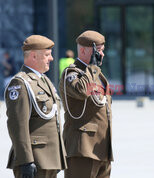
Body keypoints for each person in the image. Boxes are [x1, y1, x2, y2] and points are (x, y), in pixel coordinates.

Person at [5, 35, 67, 178]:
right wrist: (26, 160)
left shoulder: (45, 80)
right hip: (35, 160)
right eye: (47, 55)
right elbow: (17, 125)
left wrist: (58, 156)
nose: (51, 58)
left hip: (50, 159)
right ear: (33, 56)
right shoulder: (20, 83)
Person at [59, 30, 113, 178]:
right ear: (83, 50)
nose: (101, 55)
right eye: (98, 51)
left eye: (102, 51)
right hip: (82, 149)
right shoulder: (71, 73)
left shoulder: (96, 74)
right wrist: (92, 67)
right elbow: (81, 91)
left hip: (102, 149)